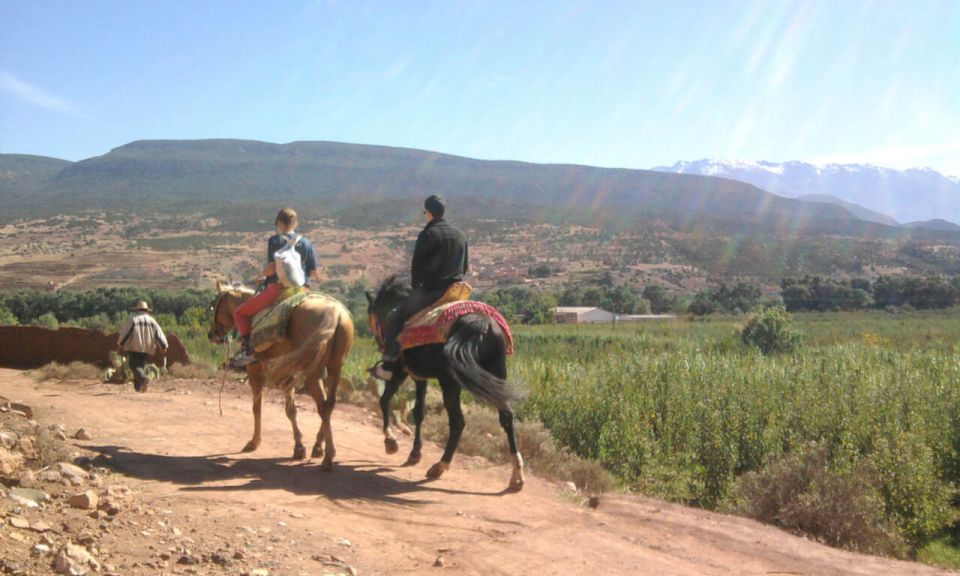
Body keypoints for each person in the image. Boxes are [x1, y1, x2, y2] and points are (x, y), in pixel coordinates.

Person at [374, 194, 469, 380]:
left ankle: (388, 366)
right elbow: (464, 267)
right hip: (456, 292)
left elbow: (417, 270)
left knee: (394, 319)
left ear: (428, 213)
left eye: (424, 211)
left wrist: (417, 290)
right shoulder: (460, 234)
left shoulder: (428, 234)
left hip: (432, 293)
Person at [232, 208, 319, 366]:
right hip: (304, 290)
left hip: (279, 290)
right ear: (295, 223)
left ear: (280, 223)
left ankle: (248, 352)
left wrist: (261, 276)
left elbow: (272, 269)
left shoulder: (275, 240)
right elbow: (313, 273)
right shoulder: (308, 243)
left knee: (240, 314)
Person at [119, 300, 168, 393]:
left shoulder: (133, 319)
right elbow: (159, 334)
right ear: (146, 310)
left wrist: (121, 344)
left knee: (133, 365)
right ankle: (138, 388)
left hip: (135, 346)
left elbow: (126, 333)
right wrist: (163, 346)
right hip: (147, 347)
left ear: (137, 310)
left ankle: (143, 379)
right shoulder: (152, 321)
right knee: (140, 366)